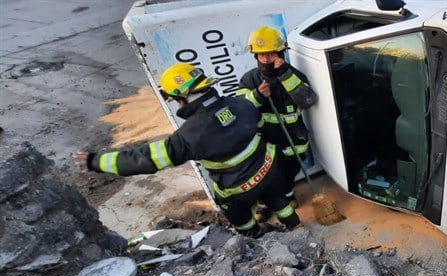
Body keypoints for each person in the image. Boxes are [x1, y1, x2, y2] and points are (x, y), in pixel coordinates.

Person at [73, 63, 300, 238]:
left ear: (182, 97)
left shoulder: (189, 136)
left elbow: (146, 159)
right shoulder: (241, 104)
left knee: (236, 214)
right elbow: (252, 108)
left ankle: (256, 237)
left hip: (240, 190)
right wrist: (258, 96)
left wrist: (96, 161)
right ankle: (296, 227)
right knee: (279, 199)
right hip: (270, 170)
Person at [236, 25, 318, 223]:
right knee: (266, 175)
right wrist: (257, 96)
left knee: (290, 170)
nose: (266, 58)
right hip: (266, 140)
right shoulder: (250, 79)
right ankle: (265, 204)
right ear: (255, 56)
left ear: (280, 53)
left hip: (294, 138)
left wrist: (285, 75)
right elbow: (241, 111)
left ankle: (288, 196)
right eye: (261, 54)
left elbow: (308, 100)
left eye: (271, 53)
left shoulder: (293, 74)